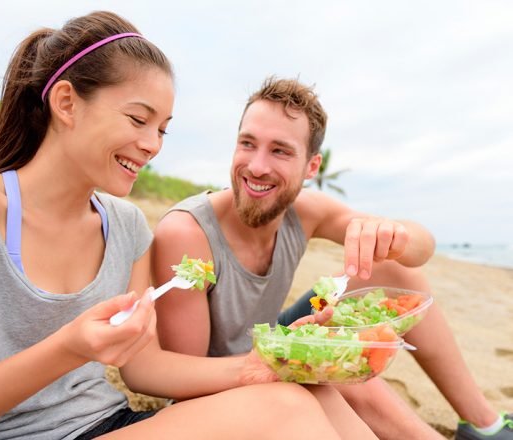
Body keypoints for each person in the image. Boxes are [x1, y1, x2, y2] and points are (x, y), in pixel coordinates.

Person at [0, 13, 380, 440]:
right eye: (137, 119)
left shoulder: (126, 225)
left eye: (162, 129)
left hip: (110, 422)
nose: (152, 145)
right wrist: (68, 349)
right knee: (286, 411)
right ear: (67, 103)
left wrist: (270, 360)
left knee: (311, 393)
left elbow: (145, 369)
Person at [152, 77, 513, 440]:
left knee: (391, 264)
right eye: (248, 144)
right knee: (356, 381)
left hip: (274, 334)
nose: (257, 166)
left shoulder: (304, 210)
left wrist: (394, 235)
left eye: (280, 151)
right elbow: (184, 385)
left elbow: (423, 247)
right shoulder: (188, 233)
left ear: (312, 168)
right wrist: (298, 358)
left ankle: (484, 425)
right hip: (224, 377)